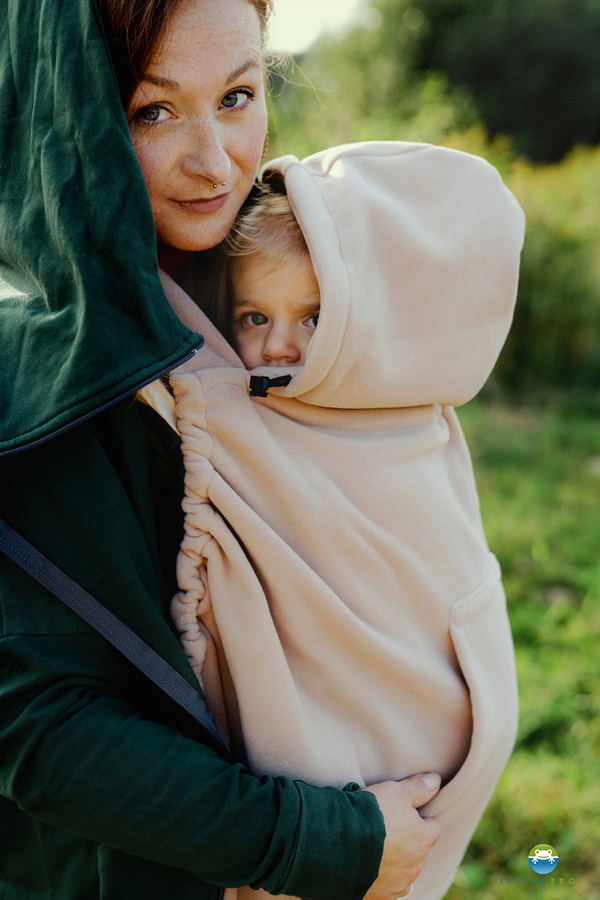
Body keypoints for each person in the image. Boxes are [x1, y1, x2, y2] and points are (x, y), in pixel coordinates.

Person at [0, 1, 445, 899]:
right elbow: (39, 732)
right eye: (153, 111)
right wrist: (325, 840)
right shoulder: (36, 389)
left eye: (237, 96)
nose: (214, 162)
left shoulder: (277, 297)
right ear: (66, 113)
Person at [148, 142, 524, 900]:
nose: (280, 345)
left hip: (432, 750)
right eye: (254, 316)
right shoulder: (235, 413)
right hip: (320, 789)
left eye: (314, 316)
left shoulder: (413, 417)